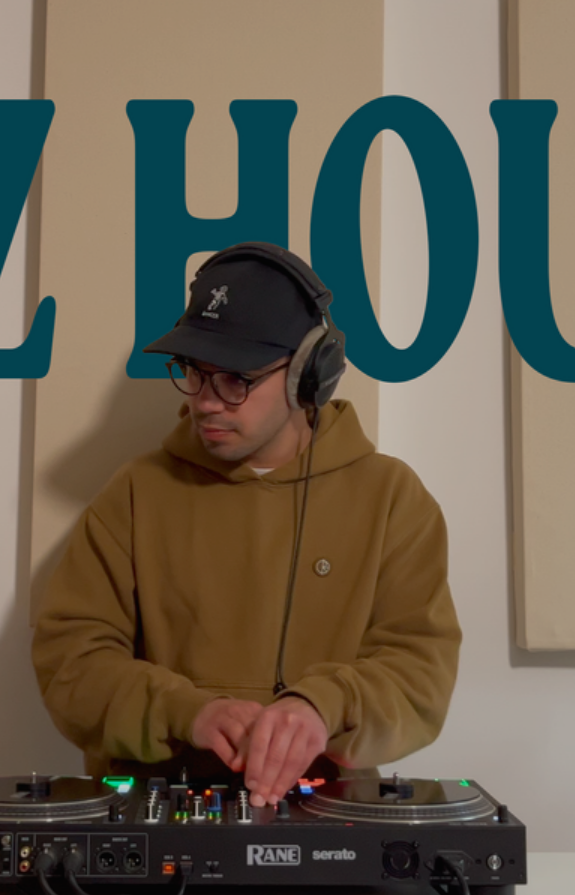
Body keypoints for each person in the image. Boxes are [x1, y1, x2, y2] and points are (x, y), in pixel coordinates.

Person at [30, 242, 460, 808]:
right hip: (154, 817)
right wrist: (186, 712)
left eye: (235, 379)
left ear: (308, 375)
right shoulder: (134, 493)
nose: (207, 402)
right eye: (194, 373)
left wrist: (322, 706)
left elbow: (421, 672)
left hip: (327, 816)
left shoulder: (392, 498)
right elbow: (71, 662)